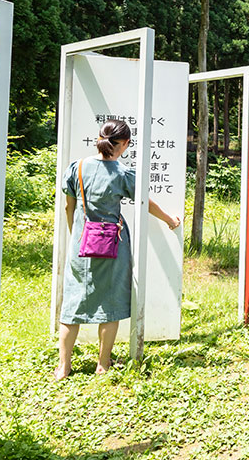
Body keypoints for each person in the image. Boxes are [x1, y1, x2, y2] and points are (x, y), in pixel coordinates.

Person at [56, 119, 180, 379]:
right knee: (109, 303)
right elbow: (146, 203)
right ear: (125, 143)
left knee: (73, 304)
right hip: (111, 245)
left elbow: (69, 207)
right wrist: (169, 219)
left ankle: (64, 367)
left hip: (81, 245)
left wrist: (76, 235)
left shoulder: (77, 167)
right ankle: (103, 364)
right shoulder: (122, 173)